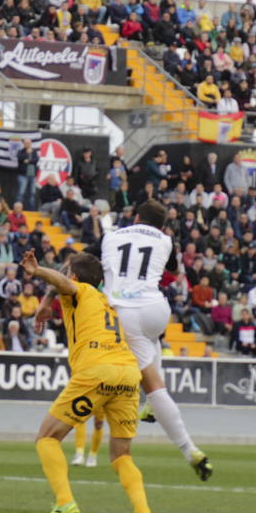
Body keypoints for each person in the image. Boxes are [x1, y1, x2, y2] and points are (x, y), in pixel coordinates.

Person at [50, 199, 212, 480]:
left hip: (123, 312)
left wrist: (47, 299)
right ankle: (156, 413)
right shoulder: (166, 239)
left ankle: (189, 449)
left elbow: (72, 267)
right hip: (157, 310)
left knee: (153, 386)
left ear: (136, 216)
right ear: (161, 225)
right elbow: (173, 270)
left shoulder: (111, 236)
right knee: (152, 343)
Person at [23, 251, 153, 513]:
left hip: (97, 369)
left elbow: (64, 284)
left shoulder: (78, 289)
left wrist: (37, 271)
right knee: (121, 455)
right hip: (129, 373)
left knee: (46, 438)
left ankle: (65, 504)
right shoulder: (109, 301)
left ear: (73, 275)